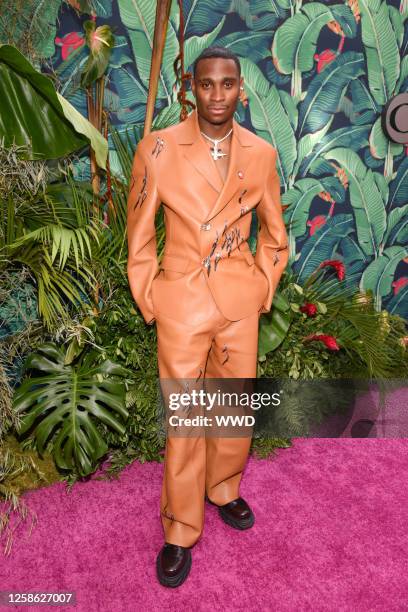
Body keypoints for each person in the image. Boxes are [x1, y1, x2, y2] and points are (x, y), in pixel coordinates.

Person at [126, 46, 289, 588]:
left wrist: (264, 286)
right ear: (190, 89)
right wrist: (153, 297)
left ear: (242, 88)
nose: (217, 95)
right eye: (207, 85)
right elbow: (140, 235)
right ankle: (179, 528)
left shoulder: (261, 153)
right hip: (183, 304)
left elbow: (274, 234)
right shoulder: (160, 149)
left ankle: (224, 488)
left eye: (228, 84)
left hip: (239, 303)